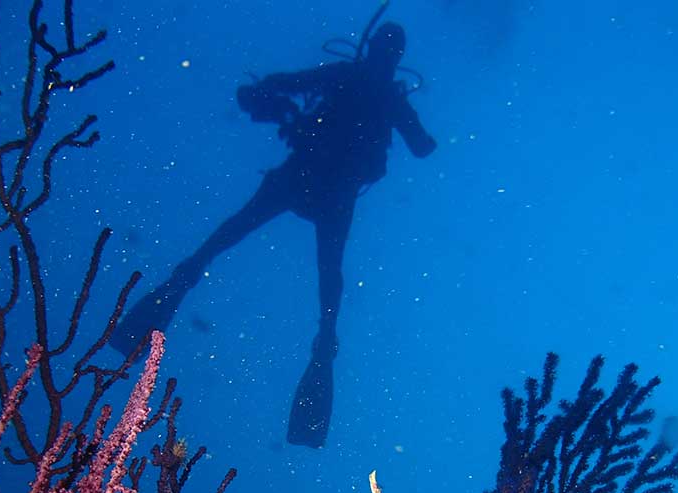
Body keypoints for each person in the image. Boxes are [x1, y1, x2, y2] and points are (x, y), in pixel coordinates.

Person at [109, 21, 436, 448]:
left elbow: (282, 84)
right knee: (327, 276)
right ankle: (324, 341)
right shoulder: (385, 95)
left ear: (372, 47)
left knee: (229, 236)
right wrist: (399, 108)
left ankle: (183, 280)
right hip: (333, 192)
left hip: (303, 176)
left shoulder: (345, 75)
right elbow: (423, 146)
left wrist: (273, 98)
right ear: (394, 58)